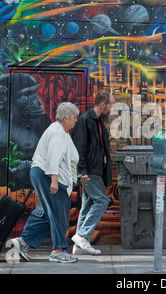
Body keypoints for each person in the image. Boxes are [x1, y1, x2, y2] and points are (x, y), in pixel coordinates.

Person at [11, 102, 80, 263]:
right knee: (57, 214)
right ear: (65, 117)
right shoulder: (58, 133)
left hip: (44, 175)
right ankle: (58, 251)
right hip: (47, 176)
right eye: (74, 117)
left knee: (45, 213)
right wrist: (54, 181)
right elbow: (53, 158)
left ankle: (23, 242)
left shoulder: (60, 130)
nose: (76, 120)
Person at [71, 91, 115, 255]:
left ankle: (79, 246)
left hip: (95, 170)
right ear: (103, 105)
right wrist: (81, 171)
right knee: (103, 200)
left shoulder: (97, 121)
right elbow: (79, 147)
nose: (111, 108)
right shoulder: (85, 120)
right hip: (88, 171)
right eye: (110, 105)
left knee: (87, 205)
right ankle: (82, 235)